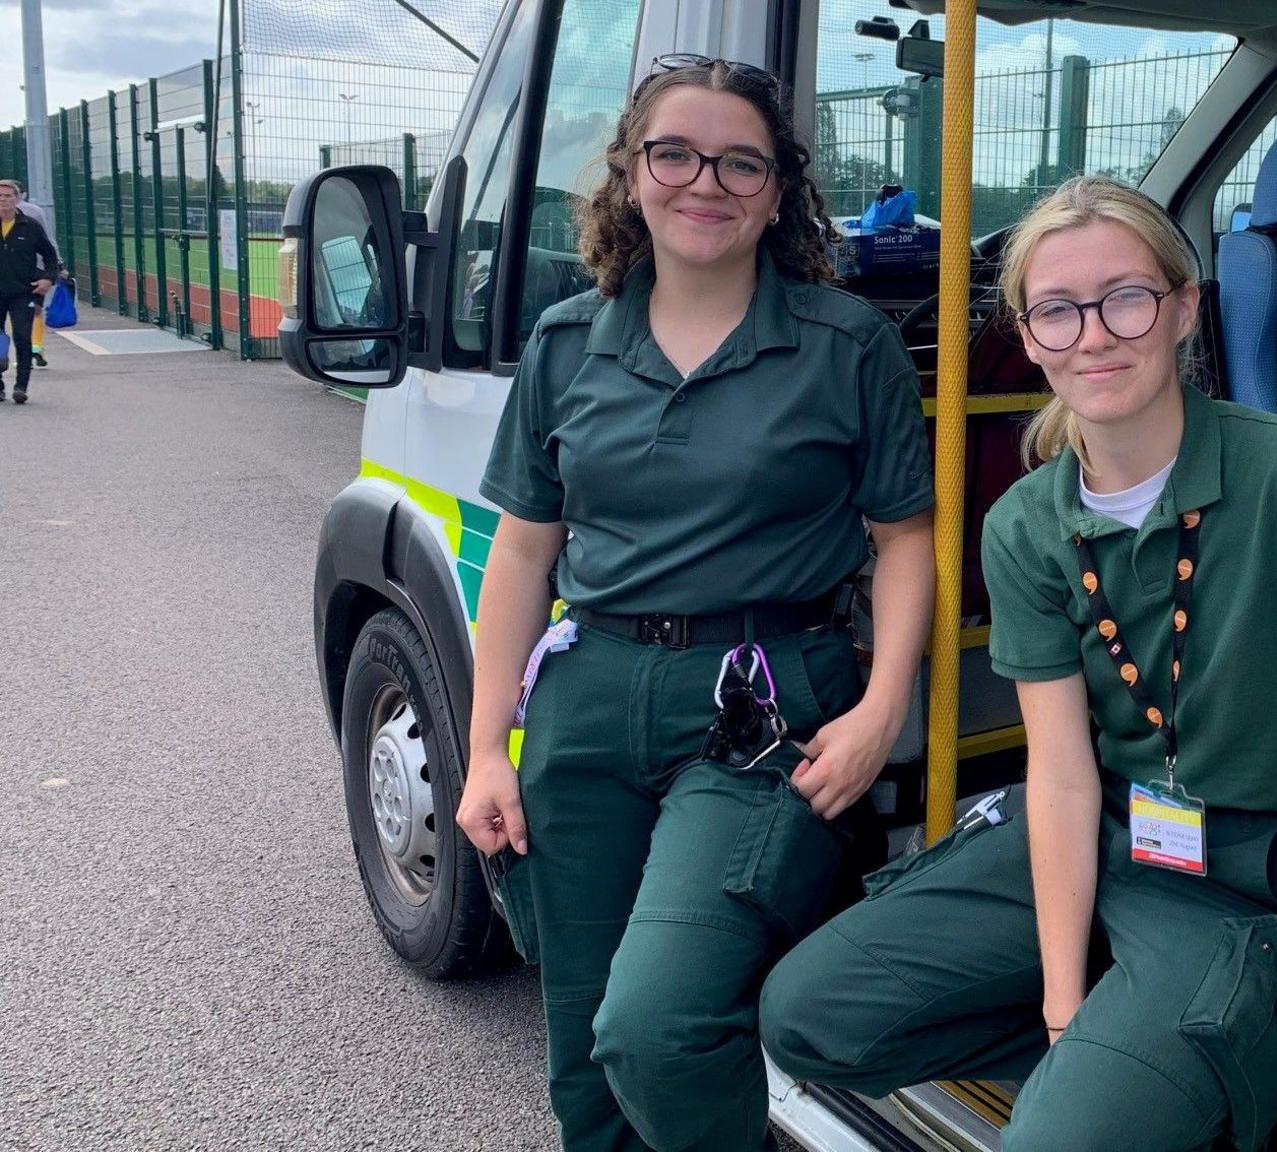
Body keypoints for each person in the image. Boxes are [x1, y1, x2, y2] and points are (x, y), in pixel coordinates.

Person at [760, 176, 1277, 1151]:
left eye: (1126, 298)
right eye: (1056, 310)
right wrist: (1065, 1009)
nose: (1093, 334)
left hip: (1246, 876)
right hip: (1100, 833)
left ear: (1184, 310)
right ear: (1026, 336)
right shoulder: (1024, 524)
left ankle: (1196, 1065)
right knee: (806, 1015)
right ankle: (1155, 1061)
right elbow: (1058, 775)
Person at [455, 56, 935, 1152]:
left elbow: (904, 541)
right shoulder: (566, 342)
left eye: (739, 162)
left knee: (656, 1026)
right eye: (673, 154)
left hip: (760, 707)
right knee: (582, 1057)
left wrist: (877, 715)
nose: (702, 182)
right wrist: (489, 749)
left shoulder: (844, 343)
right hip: (586, 705)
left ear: (777, 191)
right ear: (631, 175)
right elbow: (525, 556)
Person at [0, 179, 61, 403]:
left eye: (8, 196)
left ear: (17, 199)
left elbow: (50, 256)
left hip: (23, 291)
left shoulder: (30, 225)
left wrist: (48, 278)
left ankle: (21, 386)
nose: (3, 200)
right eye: (0, 196)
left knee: (23, 337)